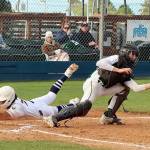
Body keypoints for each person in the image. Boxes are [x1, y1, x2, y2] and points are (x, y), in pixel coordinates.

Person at [43, 44, 150, 127]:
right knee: (84, 108)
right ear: (126, 52)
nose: (135, 57)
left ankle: (108, 116)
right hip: (94, 84)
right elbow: (99, 63)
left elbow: (136, 88)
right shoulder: (117, 58)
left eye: (136, 55)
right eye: (133, 54)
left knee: (124, 88)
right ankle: (53, 118)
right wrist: (119, 70)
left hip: (105, 88)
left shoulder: (127, 71)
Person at [0, 64, 78, 120]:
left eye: (2, 101)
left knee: (56, 109)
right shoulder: (14, 100)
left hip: (40, 110)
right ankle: (67, 73)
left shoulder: (17, 108)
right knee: (51, 95)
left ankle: (74, 104)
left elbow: (4, 116)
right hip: (34, 103)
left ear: (9, 99)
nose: (0, 103)